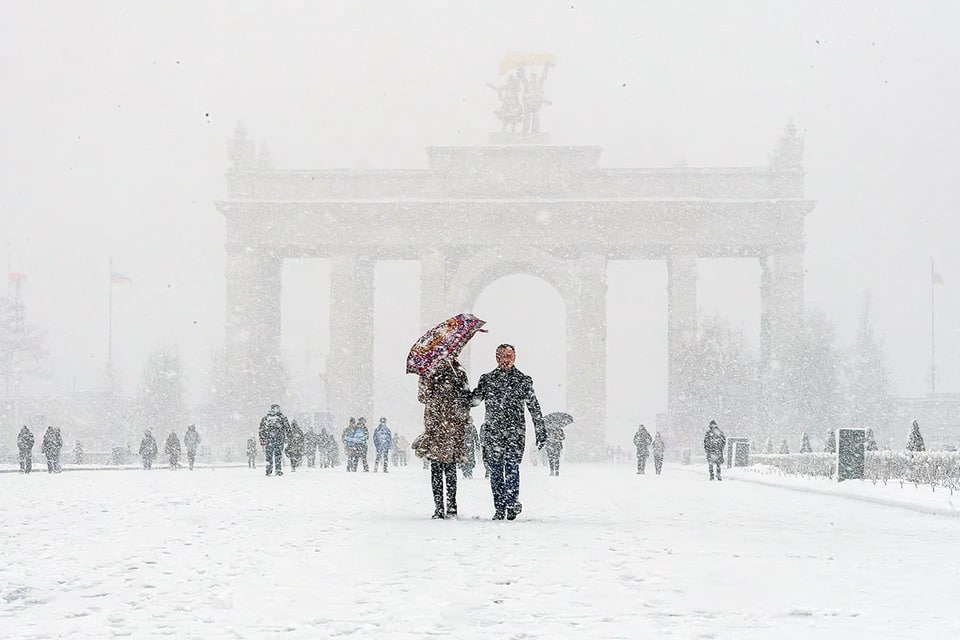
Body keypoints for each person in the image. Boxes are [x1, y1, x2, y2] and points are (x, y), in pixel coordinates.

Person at [471, 344, 546, 521]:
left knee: (512, 467)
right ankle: (499, 506)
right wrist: (462, 392)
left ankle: (511, 502)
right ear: (496, 358)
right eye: (502, 356)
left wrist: (540, 429)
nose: (505, 359)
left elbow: (534, 407)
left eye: (509, 356)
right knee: (496, 470)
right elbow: (475, 400)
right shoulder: (487, 380)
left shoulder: (523, 380)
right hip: (494, 432)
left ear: (514, 358)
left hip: (515, 432)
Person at [419, 357, 471, 519]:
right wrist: (430, 380)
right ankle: (439, 507)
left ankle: (451, 505)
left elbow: (467, 398)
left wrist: (458, 384)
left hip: (452, 427)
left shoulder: (459, 371)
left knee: (450, 469)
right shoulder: (429, 373)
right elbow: (422, 397)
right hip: (435, 427)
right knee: (436, 470)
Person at [259, 404, 290, 477]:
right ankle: (278, 470)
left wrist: (262, 440)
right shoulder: (282, 418)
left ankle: (268, 470)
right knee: (278, 455)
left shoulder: (266, 418)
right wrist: (288, 438)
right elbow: (288, 429)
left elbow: (261, 430)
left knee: (269, 456)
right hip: (279, 440)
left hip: (268, 440)